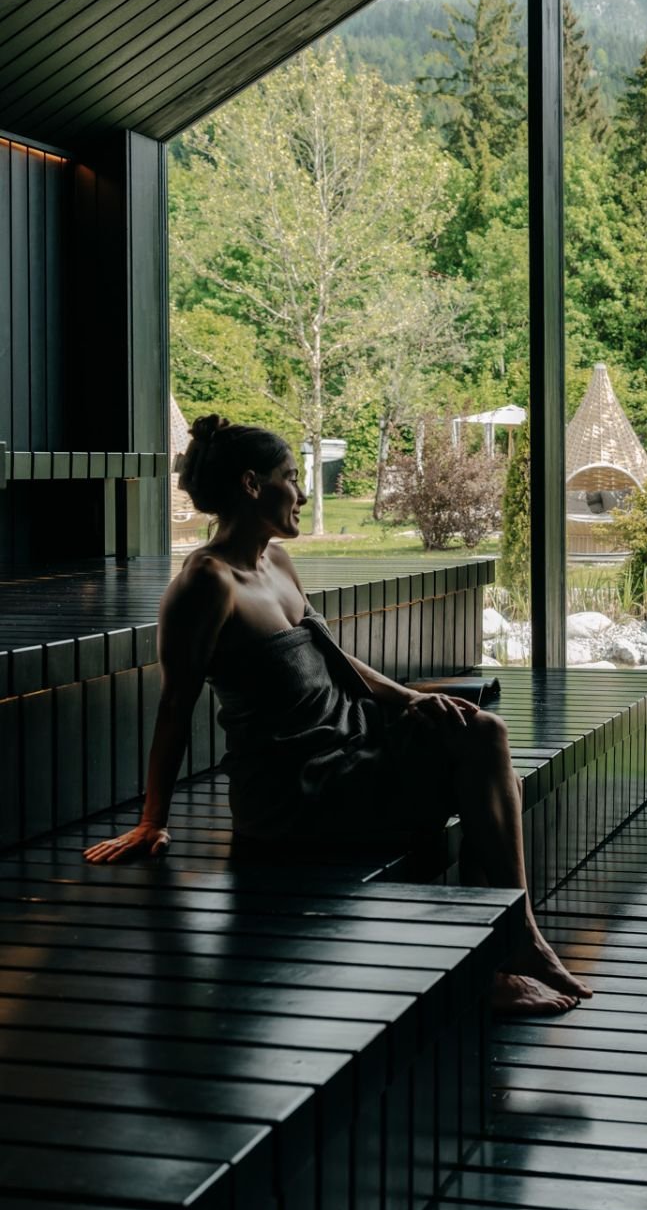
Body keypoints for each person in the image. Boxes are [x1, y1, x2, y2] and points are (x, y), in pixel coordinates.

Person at [82, 416, 592, 1019]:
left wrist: (409, 699)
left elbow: (333, 654)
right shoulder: (204, 584)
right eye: (289, 477)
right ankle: (503, 955)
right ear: (251, 485)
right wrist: (152, 822)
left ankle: (513, 940)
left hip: (353, 746)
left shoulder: (277, 564)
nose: (300, 492)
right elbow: (174, 707)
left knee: (480, 731)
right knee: (479, 767)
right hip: (295, 789)